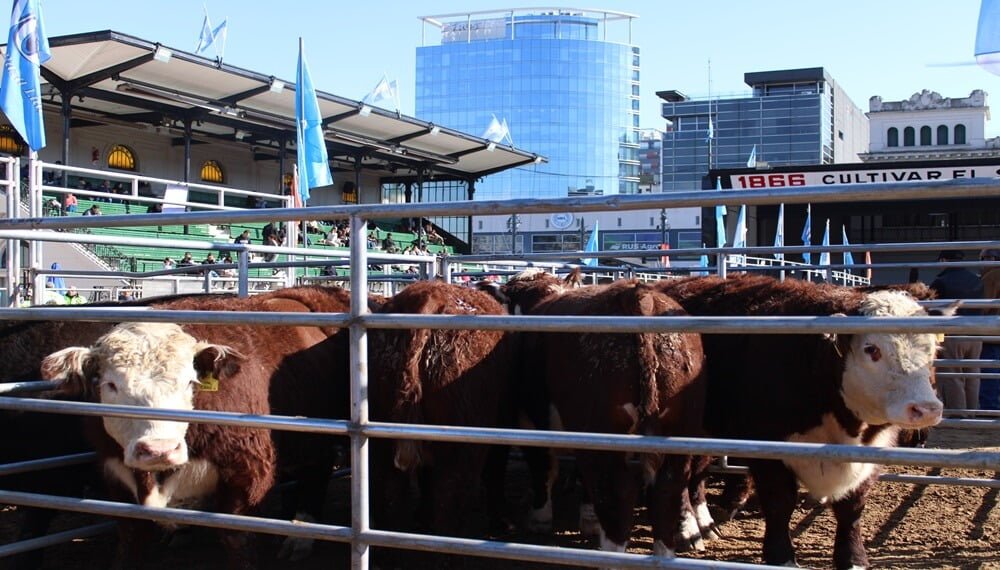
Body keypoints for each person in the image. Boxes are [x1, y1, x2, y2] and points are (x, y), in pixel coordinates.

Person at [929, 250, 985, 413]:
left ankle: (958, 414)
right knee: (973, 375)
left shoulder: (941, 281)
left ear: (944, 260)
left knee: (952, 375)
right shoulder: (976, 279)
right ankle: (972, 412)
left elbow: (933, 308)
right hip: (976, 333)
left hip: (952, 334)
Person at [979, 248, 1000, 410]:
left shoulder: (992, 276)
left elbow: (984, 305)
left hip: (992, 332)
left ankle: (990, 409)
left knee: (990, 374)